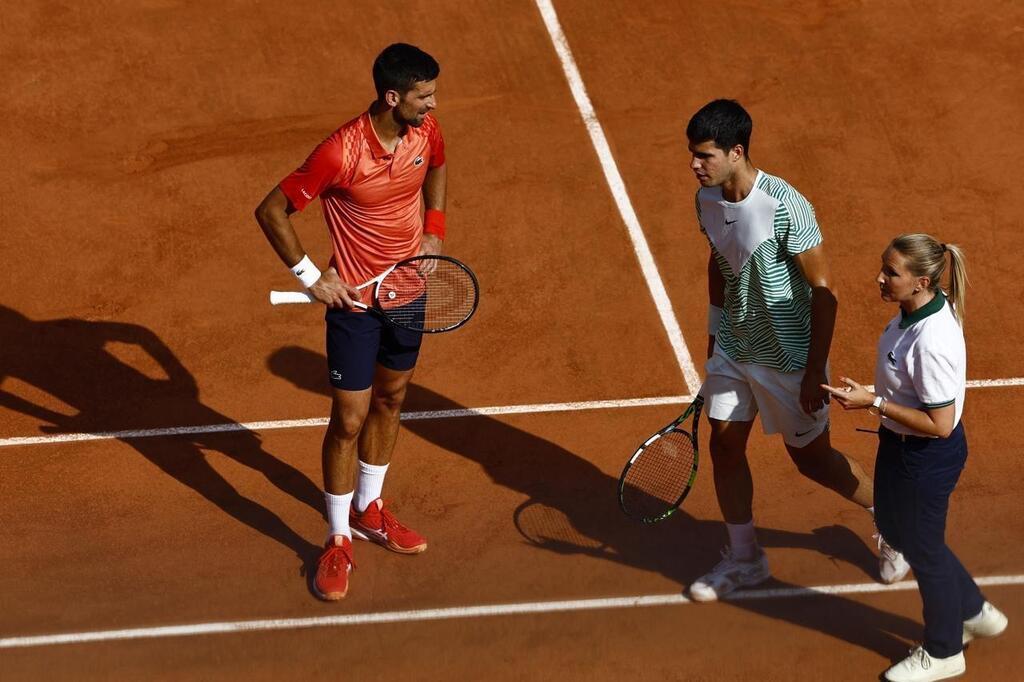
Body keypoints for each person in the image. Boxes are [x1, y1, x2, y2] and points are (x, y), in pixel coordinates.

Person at [684, 99, 907, 602]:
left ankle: (893, 521)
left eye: (705, 156)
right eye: (693, 155)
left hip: (790, 355)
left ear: (736, 151)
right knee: (724, 444)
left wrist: (813, 372)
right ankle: (745, 558)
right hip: (736, 345)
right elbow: (718, 261)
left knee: (813, 461)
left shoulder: (787, 206)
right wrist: (716, 332)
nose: (695, 165)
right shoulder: (707, 200)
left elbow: (825, 295)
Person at [254, 43, 447, 601]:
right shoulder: (340, 153)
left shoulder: (425, 132)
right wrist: (312, 276)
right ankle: (338, 538)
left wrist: (433, 229)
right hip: (356, 304)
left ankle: (370, 508)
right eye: (424, 96)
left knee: (392, 399)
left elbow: (436, 166)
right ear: (393, 97)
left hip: (409, 290)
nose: (433, 105)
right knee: (348, 417)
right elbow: (271, 210)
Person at [822, 234, 1007, 681]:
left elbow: (941, 424)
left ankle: (945, 651)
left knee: (924, 551)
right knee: (896, 526)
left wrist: (875, 403)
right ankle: (975, 611)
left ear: (922, 281)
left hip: (925, 456)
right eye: (883, 267)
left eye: (891, 272)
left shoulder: (932, 339)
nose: (879, 278)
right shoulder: (915, 311)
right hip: (900, 447)